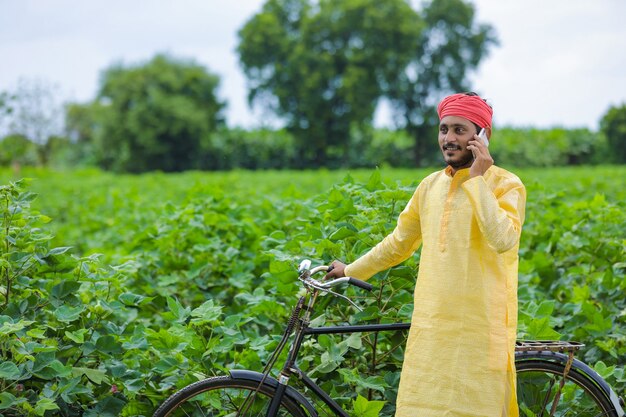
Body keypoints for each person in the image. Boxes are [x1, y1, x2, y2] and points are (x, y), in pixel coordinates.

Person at [326, 92, 526, 416]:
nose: (449, 138)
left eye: (460, 130)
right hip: (432, 329)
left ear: (482, 136)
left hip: (478, 329)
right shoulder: (429, 187)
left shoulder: (506, 185)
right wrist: (351, 270)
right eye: (444, 129)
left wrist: (477, 180)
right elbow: (399, 243)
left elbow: (504, 239)